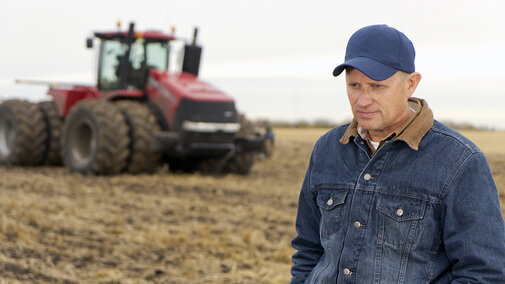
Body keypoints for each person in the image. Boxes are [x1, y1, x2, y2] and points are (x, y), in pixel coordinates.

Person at [290, 24, 505, 283]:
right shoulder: (327, 149)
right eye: (354, 85)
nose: (363, 100)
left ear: (410, 84)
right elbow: (308, 250)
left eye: (377, 86)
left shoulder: (460, 162)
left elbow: (484, 272)